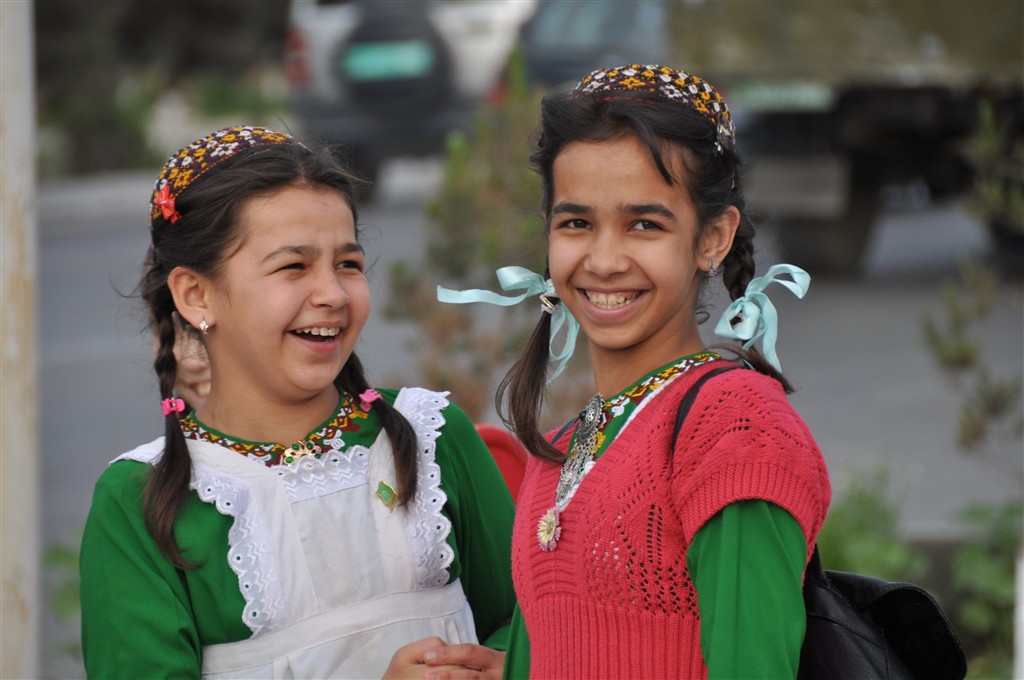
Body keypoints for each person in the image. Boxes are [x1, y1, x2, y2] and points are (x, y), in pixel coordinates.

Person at [436, 65, 832, 679]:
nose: (604, 260)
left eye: (644, 224)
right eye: (577, 223)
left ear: (713, 237)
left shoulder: (734, 429)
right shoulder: (564, 446)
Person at [80, 125, 515, 679]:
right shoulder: (141, 502)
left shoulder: (431, 434)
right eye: (293, 267)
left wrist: (501, 666)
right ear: (196, 295)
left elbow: (534, 620)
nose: (332, 294)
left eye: (348, 264)